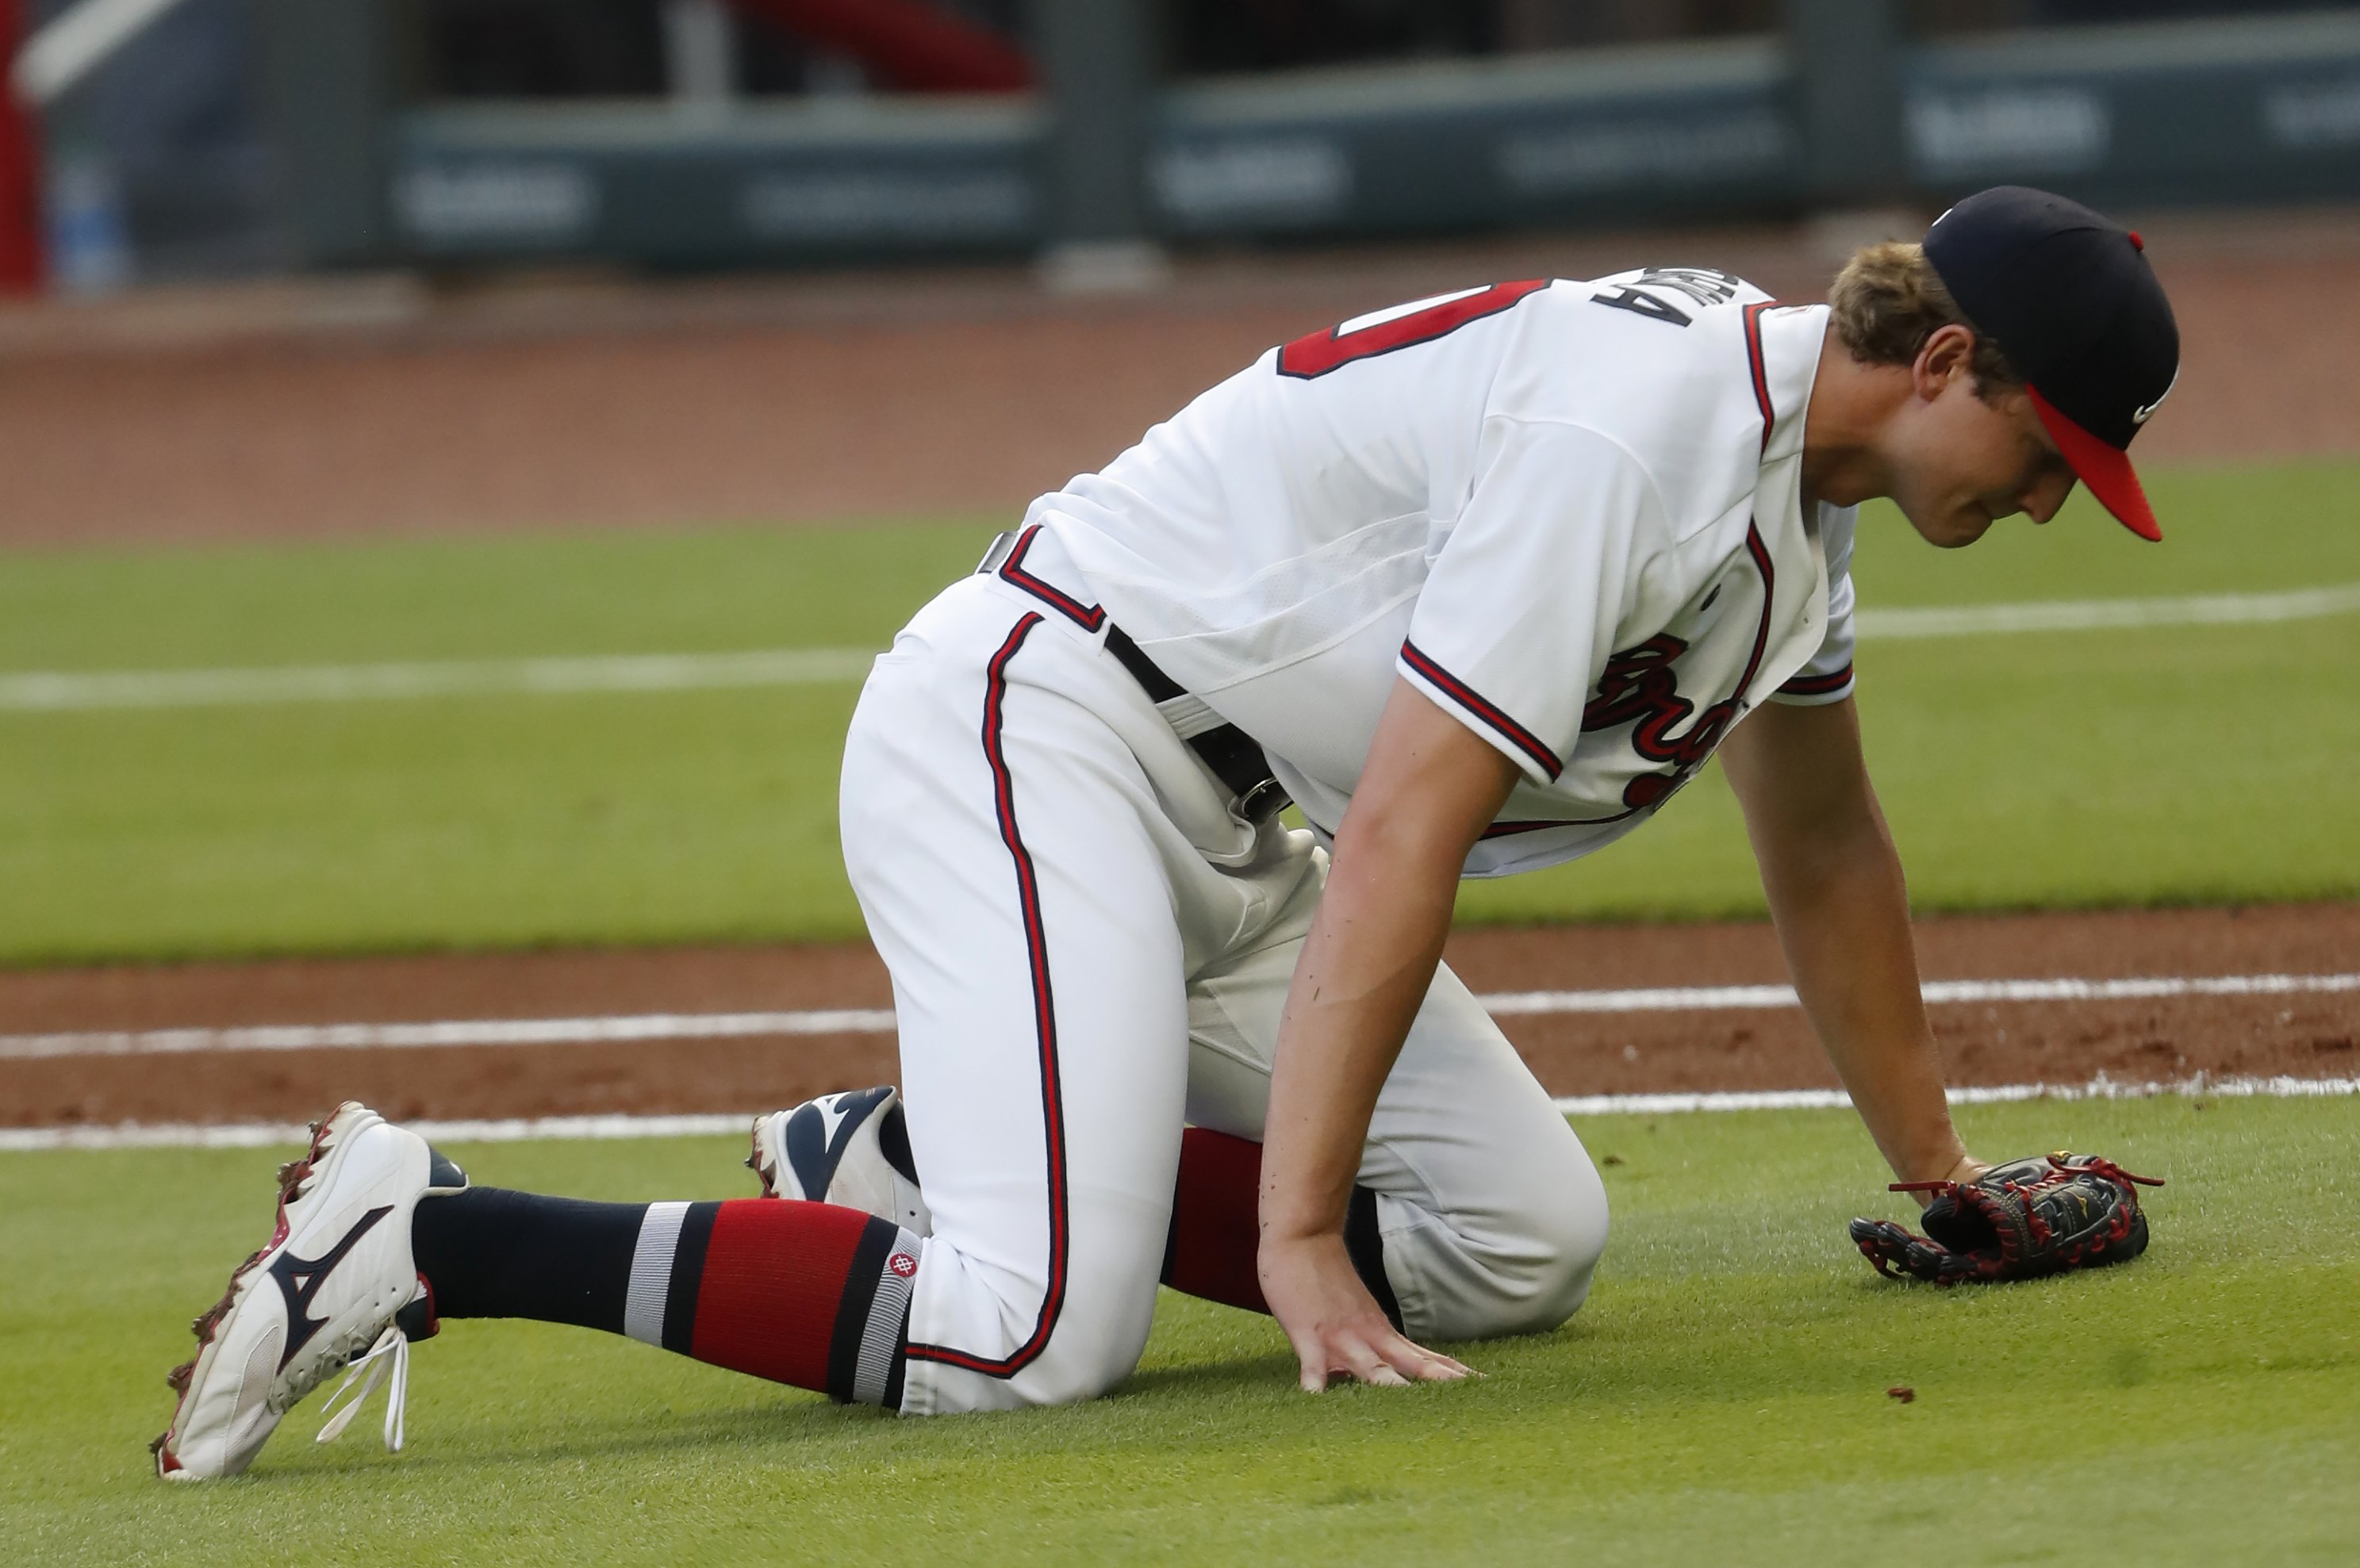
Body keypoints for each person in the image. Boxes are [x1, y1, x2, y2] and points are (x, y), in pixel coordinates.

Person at [154, 186, 2179, 1479]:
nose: (2059, 497)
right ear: (1940, 363)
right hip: (1045, 730)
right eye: (2053, 449)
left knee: (1518, 1244)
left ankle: (907, 1150)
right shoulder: (1633, 437)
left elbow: (1831, 855)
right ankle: (427, 1229)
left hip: (1232, 824)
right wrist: (1290, 1234)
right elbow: (1408, 825)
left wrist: (1942, 1169)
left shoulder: (1793, 523)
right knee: (1029, 1340)